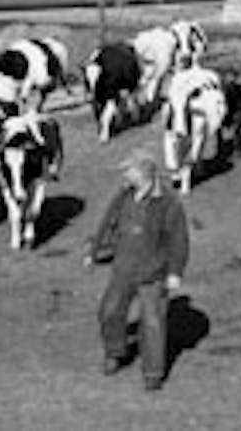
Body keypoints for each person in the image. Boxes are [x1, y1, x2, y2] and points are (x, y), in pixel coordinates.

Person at [85, 150, 190, 392]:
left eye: (129, 170)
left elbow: (178, 239)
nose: (125, 174)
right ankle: (115, 351)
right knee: (109, 311)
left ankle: (153, 373)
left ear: (143, 172)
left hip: (153, 270)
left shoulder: (168, 202)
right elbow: (108, 223)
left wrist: (175, 272)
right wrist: (94, 252)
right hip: (123, 267)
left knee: (152, 321)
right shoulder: (123, 196)